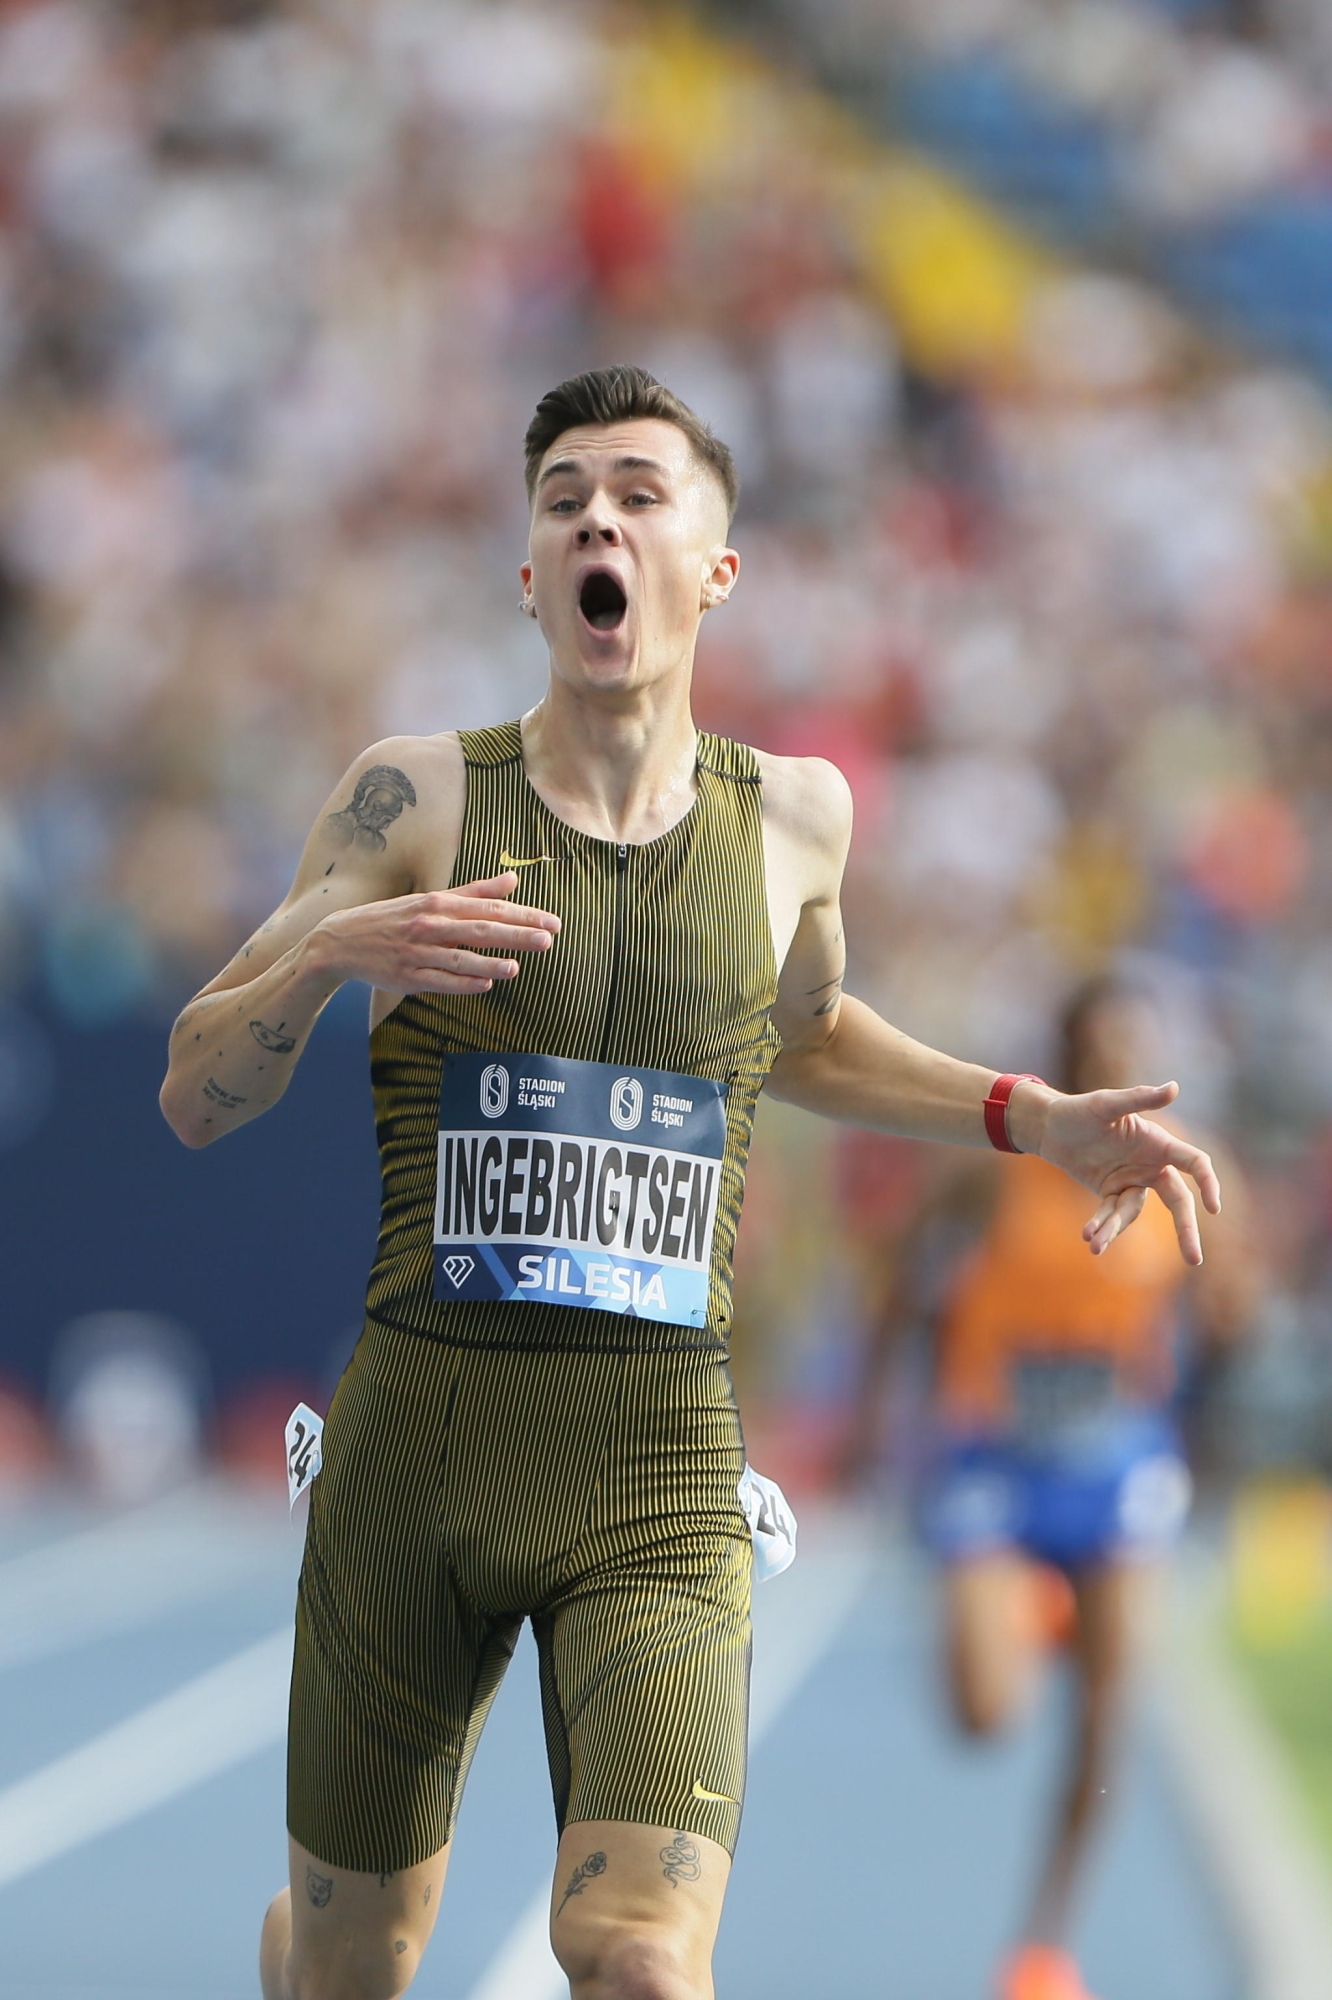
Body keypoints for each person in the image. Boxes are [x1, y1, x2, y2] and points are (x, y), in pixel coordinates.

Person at [160, 366, 1222, 2000]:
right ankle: (305, 1948)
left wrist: (1027, 1113)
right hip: (421, 1453)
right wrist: (328, 954)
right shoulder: (415, 796)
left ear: (713, 568)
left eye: (641, 493)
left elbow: (801, 1036)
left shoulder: (796, 816)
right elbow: (192, 1091)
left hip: (660, 1461)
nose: (599, 515)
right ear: (529, 572)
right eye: (564, 492)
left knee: (642, 1962)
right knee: (353, 1968)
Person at [841, 977, 1257, 2000]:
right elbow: (902, 1287)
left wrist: (1220, 1338)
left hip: (1117, 1460)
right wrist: (875, 1412)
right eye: (1099, 1054)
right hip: (996, 1456)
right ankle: (1036, 1601)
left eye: (1137, 1053)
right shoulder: (1000, 1169)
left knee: (1110, 1721)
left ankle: (1043, 1941)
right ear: (1066, 1062)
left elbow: (1231, 1310)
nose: (1121, 1081)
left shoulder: (1196, 1169)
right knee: (984, 1712)